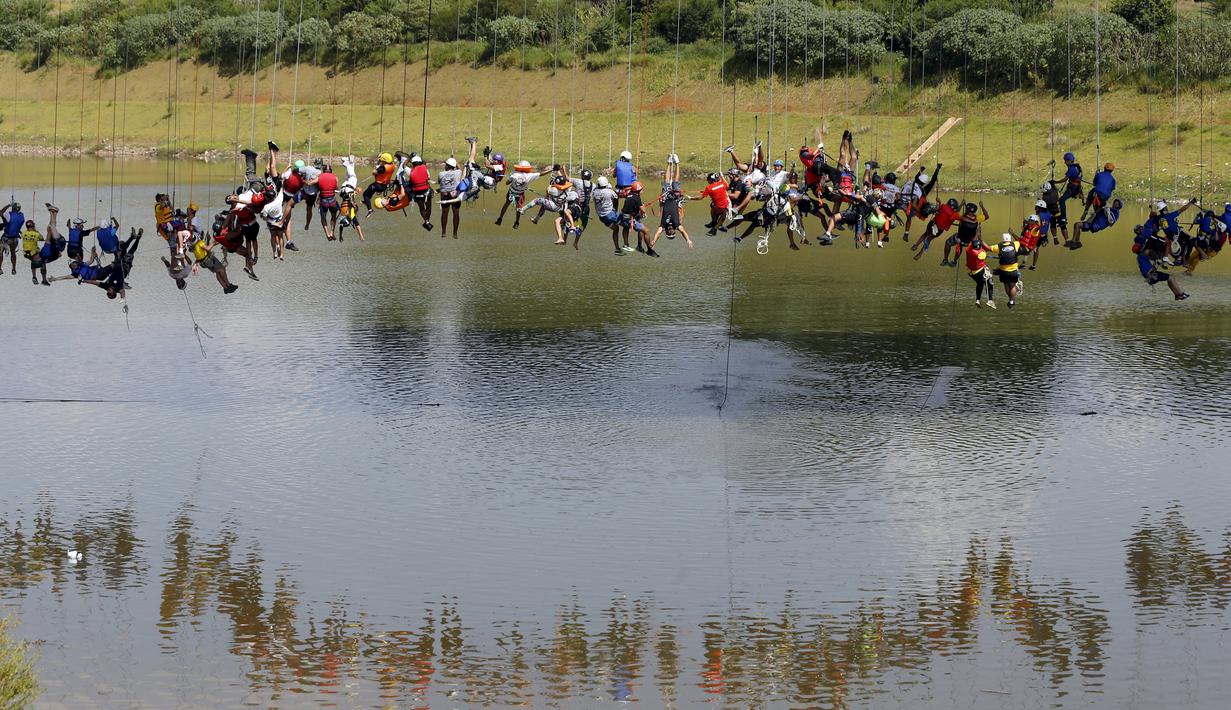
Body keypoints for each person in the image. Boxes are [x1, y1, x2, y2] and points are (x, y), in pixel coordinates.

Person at [1133, 222, 1189, 300]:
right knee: (1170, 278)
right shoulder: (1143, 253)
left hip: (1151, 276)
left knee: (1170, 278)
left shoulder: (1140, 256)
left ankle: (1178, 295)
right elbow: (1150, 243)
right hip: (1152, 276)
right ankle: (1180, 294)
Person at [81, 228, 142, 300]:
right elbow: (122, 292)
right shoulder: (119, 288)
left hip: (116, 265)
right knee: (130, 252)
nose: (108, 290)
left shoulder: (106, 286)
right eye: (110, 292)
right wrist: (122, 299)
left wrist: (84, 281)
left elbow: (94, 283)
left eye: (108, 292)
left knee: (120, 249)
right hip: (125, 268)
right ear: (114, 292)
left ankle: (132, 237)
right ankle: (138, 237)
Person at [650, 156, 693, 250]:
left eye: (669, 233)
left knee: (666, 181)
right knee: (675, 182)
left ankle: (669, 163)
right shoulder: (677, 225)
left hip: (665, 198)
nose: (670, 231)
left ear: (666, 232)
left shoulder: (663, 226)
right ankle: (677, 163)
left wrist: (654, 240)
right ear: (674, 232)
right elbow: (683, 232)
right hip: (675, 199)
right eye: (672, 233)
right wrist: (688, 240)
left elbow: (657, 233)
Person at [496, 161, 545, 229]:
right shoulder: (530, 175)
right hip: (520, 194)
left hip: (512, 192)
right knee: (518, 208)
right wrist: (551, 170)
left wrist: (510, 180)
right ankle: (517, 222)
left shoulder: (513, 173)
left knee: (506, 204)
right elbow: (541, 174)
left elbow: (507, 183)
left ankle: (500, 219)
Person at [900, 164, 941, 243]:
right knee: (929, 207)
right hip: (913, 204)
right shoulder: (920, 191)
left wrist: (920, 171)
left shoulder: (910, 182)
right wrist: (937, 169)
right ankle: (906, 233)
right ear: (923, 183)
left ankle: (906, 233)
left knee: (909, 217)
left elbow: (916, 179)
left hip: (902, 201)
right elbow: (933, 180)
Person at [941, 201, 987, 267]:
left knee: (948, 242)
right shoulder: (977, 218)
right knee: (960, 246)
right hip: (970, 241)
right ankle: (954, 261)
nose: (965, 209)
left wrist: (961, 205)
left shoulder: (963, 218)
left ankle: (946, 259)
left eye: (966, 209)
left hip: (960, 238)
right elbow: (986, 216)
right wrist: (982, 206)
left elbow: (954, 214)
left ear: (968, 210)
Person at [985, 232, 1023, 309]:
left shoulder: (999, 246)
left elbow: (988, 248)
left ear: (1003, 240)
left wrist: (980, 240)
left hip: (1003, 271)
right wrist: (1012, 233)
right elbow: (1020, 240)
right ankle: (1011, 301)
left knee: (1006, 284)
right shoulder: (1015, 244)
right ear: (1010, 239)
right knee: (1012, 285)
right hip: (1013, 270)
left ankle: (1011, 299)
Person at [591, 176, 625, 255]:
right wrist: (615, 209)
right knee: (627, 223)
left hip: (602, 217)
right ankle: (626, 244)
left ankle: (617, 249)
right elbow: (616, 197)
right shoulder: (609, 192)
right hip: (610, 214)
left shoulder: (594, 192)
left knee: (616, 229)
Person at [1078, 162, 1116, 229]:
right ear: (1112, 171)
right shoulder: (1113, 180)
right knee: (1101, 204)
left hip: (1097, 193)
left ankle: (1086, 211)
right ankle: (1103, 211)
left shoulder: (1099, 174)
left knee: (1090, 195)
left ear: (1104, 168)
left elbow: (1094, 183)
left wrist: (1096, 174)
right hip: (1105, 196)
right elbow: (1112, 189)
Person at [620, 181, 653, 256]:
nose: (643, 191)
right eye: (642, 190)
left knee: (625, 227)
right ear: (638, 191)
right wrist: (643, 206)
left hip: (623, 216)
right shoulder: (637, 198)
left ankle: (626, 245)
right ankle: (649, 249)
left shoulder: (630, 194)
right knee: (646, 231)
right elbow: (643, 211)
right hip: (629, 219)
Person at [965, 235, 996, 309]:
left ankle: (978, 300)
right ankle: (990, 300)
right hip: (979, 271)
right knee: (989, 283)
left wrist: (977, 236)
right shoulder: (980, 254)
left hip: (971, 272)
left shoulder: (968, 248)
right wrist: (981, 241)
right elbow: (984, 254)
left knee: (980, 283)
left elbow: (972, 240)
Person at [437, 155, 463, 238]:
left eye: (445, 165)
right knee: (456, 214)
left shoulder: (441, 174)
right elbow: (459, 168)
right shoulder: (458, 172)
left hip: (445, 195)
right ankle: (455, 233)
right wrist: (454, 159)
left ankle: (443, 232)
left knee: (444, 213)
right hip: (455, 196)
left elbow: (440, 184)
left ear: (447, 166)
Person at [316, 163, 341, 240]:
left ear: (323, 170)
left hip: (323, 201)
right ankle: (332, 232)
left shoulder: (319, 177)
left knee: (323, 217)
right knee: (333, 216)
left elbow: (317, 187)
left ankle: (327, 233)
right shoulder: (335, 177)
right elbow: (337, 187)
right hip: (332, 201)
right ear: (330, 170)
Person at [20, 219, 48, 285]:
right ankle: (44, 280)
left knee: (33, 260)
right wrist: (36, 231)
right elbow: (42, 238)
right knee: (42, 262)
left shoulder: (23, 233)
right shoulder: (36, 234)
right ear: (33, 226)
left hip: (25, 253)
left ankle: (34, 276)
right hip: (34, 252)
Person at [0, 200, 24, 274]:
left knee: (0, 252)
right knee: (13, 253)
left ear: (12, 208)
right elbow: (14, 224)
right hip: (15, 239)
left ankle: (0, 268)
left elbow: (1, 212)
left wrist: (8, 205)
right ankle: (13, 269)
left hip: (6, 238)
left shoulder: (8, 215)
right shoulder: (21, 216)